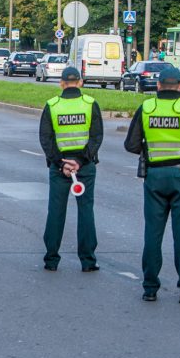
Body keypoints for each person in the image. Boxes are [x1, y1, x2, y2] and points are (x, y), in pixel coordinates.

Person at [123, 66, 180, 303]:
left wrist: (148, 151)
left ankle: (150, 288)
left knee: (153, 234)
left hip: (154, 176)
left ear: (158, 86)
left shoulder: (146, 108)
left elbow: (131, 145)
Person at [38, 67, 103, 272]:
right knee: (86, 211)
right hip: (84, 167)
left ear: (61, 83)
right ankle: (88, 260)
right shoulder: (90, 104)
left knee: (56, 212)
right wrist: (80, 162)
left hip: (60, 168)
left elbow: (46, 139)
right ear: (81, 82)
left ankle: (51, 259)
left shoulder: (52, 105)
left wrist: (61, 163)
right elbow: (96, 137)